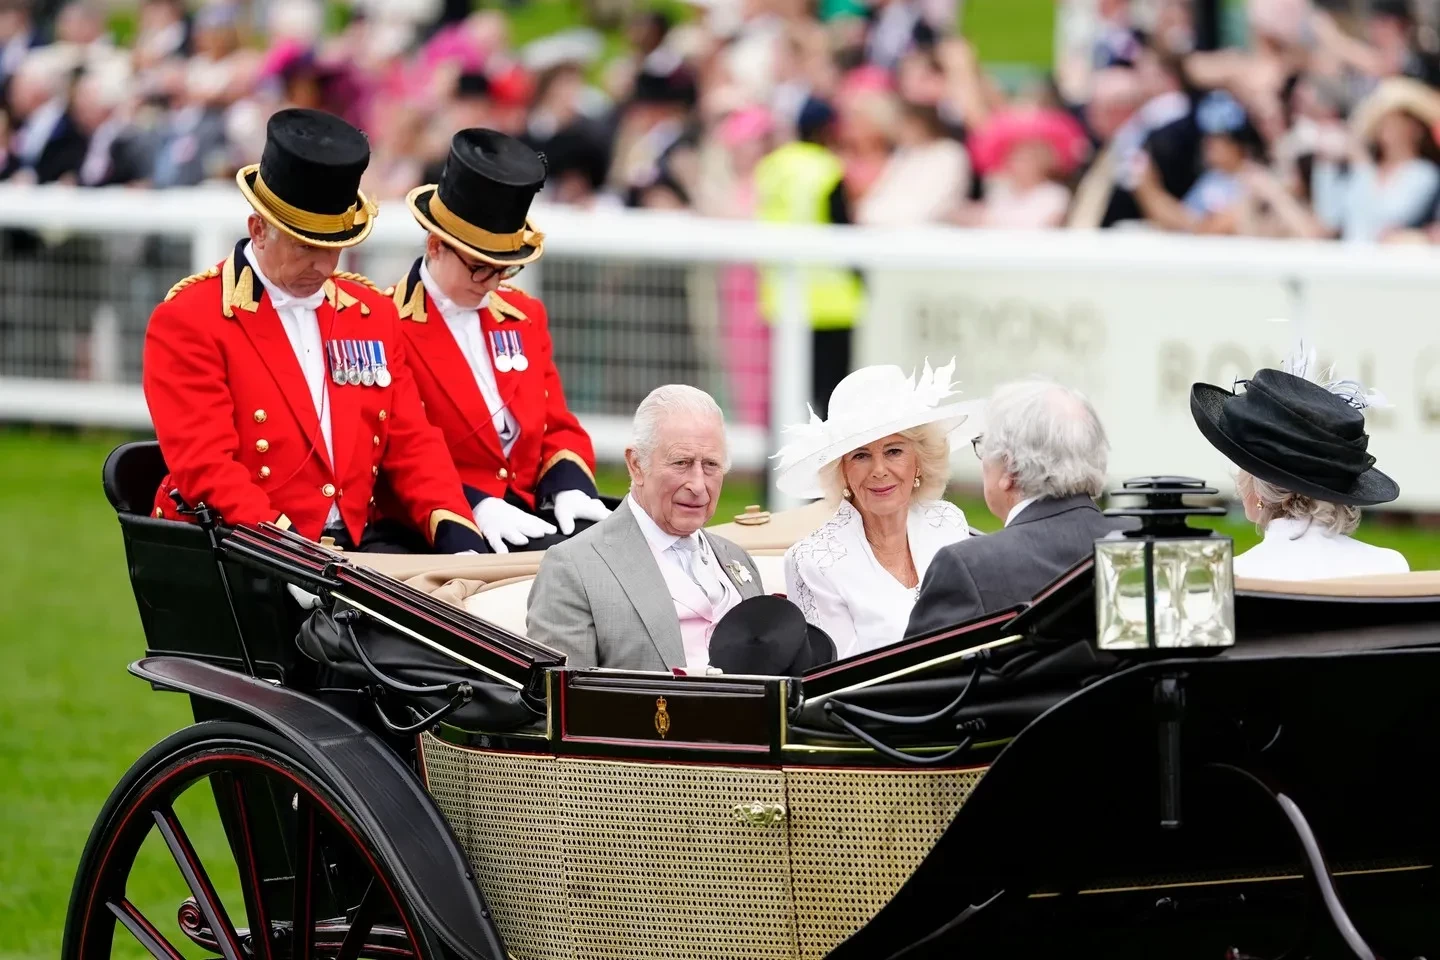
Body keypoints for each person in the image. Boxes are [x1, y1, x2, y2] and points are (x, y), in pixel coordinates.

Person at [143, 107, 488, 554]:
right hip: (240, 546)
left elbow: (410, 441)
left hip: (354, 545)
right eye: (306, 247)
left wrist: (455, 528)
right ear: (258, 230)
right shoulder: (191, 319)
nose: (324, 267)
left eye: (335, 248)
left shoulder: (370, 313)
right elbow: (206, 467)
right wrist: (292, 552)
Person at [387, 128, 607, 554]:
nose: (491, 283)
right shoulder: (387, 322)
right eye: (479, 267)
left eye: (503, 270)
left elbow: (556, 424)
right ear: (436, 246)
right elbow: (397, 454)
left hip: (530, 508)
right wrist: (476, 504)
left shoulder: (524, 314)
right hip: (441, 523)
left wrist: (569, 486)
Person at [526, 385, 764, 671]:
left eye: (711, 465)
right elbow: (564, 695)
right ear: (636, 465)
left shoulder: (737, 558)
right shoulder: (573, 569)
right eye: (681, 463)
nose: (698, 485)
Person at [774, 359, 979, 659]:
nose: (879, 470)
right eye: (861, 456)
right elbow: (836, 675)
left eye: (893, 451)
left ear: (919, 460)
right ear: (842, 471)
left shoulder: (947, 522)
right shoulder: (813, 561)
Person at [906, 378, 1126, 638]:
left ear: (1009, 468)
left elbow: (914, 665)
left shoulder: (969, 567)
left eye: (983, 447)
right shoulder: (1144, 545)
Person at [1190, 366, 1406, 580]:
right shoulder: (1391, 567)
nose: (1239, 477)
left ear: (1261, 490)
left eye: (1244, 464)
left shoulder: (1230, 575)